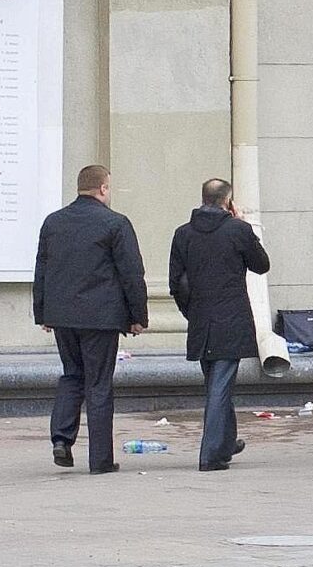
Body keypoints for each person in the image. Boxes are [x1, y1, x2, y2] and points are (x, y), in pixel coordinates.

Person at [32, 164, 147, 474]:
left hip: (62, 317)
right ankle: (100, 460)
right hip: (101, 318)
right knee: (98, 384)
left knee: (72, 375)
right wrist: (138, 317)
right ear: (103, 189)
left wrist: (42, 312)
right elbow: (132, 273)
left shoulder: (53, 222)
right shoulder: (115, 223)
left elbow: (42, 269)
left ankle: (61, 439)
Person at [167, 178, 270, 473]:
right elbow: (261, 264)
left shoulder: (182, 234)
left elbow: (177, 283)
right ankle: (210, 454)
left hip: (201, 319)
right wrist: (243, 226)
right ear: (228, 201)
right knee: (220, 387)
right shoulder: (238, 230)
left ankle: (225, 443)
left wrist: (191, 312)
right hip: (232, 318)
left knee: (217, 383)